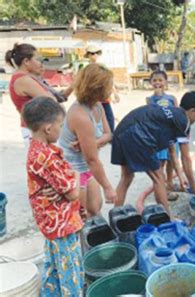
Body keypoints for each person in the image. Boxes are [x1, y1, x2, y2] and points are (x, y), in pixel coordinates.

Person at [22, 97, 84, 296]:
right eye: (60, 125)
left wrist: (67, 181)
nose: (62, 129)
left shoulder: (35, 148)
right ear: (48, 129)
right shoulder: (47, 157)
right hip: (62, 224)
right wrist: (76, 174)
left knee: (53, 267)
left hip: (49, 223)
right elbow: (74, 193)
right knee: (71, 271)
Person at [112, 91, 195, 216]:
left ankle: (116, 215)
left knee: (126, 177)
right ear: (193, 111)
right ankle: (168, 217)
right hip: (138, 135)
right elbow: (186, 158)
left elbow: (173, 153)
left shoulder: (171, 113)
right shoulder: (183, 121)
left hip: (121, 132)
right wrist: (194, 186)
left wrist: (181, 176)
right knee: (158, 177)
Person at [59, 64, 116, 216]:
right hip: (73, 169)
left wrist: (92, 143)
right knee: (80, 215)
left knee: (95, 208)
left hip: (86, 167)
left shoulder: (97, 106)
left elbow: (109, 134)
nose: (111, 89)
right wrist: (108, 187)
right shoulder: (80, 115)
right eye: (109, 86)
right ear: (97, 88)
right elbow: (92, 159)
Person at [5, 43, 67, 146]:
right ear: (26, 61)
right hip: (38, 130)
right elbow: (52, 101)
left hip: (40, 128)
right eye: (37, 59)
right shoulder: (23, 80)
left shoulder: (26, 77)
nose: (41, 63)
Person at [146, 70, 187, 192]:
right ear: (151, 83)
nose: (157, 82)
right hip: (159, 134)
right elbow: (150, 114)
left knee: (172, 160)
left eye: (160, 80)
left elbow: (177, 113)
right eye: (154, 80)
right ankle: (161, 185)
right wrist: (156, 97)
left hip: (172, 132)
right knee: (161, 161)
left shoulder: (172, 98)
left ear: (165, 82)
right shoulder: (149, 99)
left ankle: (169, 182)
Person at [82, 44, 120, 132]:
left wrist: (115, 93)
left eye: (96, 53)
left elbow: (109, 80)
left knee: (109, 118)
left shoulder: (103, 66)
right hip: (91, 97)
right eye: (91, 53)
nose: (94, 55)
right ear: (88, 55)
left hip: (103, 96)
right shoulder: (86, 68)